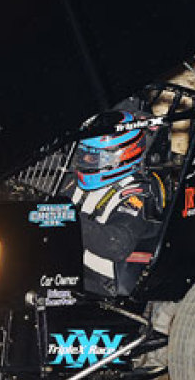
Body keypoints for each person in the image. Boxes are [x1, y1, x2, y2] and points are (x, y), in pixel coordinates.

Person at [59, 101, 170, 296]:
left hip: (102, 286)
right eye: (83, 155)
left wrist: (68, 221)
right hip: (70, 270)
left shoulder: (136, 193)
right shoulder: (75, 181)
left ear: (121, 156)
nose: (86, 161)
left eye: (94, 158)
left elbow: (117, 244)